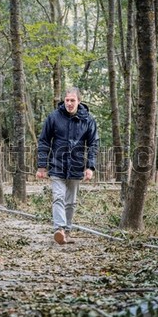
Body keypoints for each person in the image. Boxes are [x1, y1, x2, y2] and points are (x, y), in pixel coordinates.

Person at [36, 87, 99, 244]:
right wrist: (42, 166)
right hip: (57, 165)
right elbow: (44, 141)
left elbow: (93, 144)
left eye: (73, 100)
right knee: (58, 197)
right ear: (63, 101)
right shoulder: (54, 117)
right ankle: (59, 229)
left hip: (76, 166)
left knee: (70, 202)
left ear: (79, 101)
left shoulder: (88, 120)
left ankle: (67, 232)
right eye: (67, 100)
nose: (69, 103)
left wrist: (90, 167)